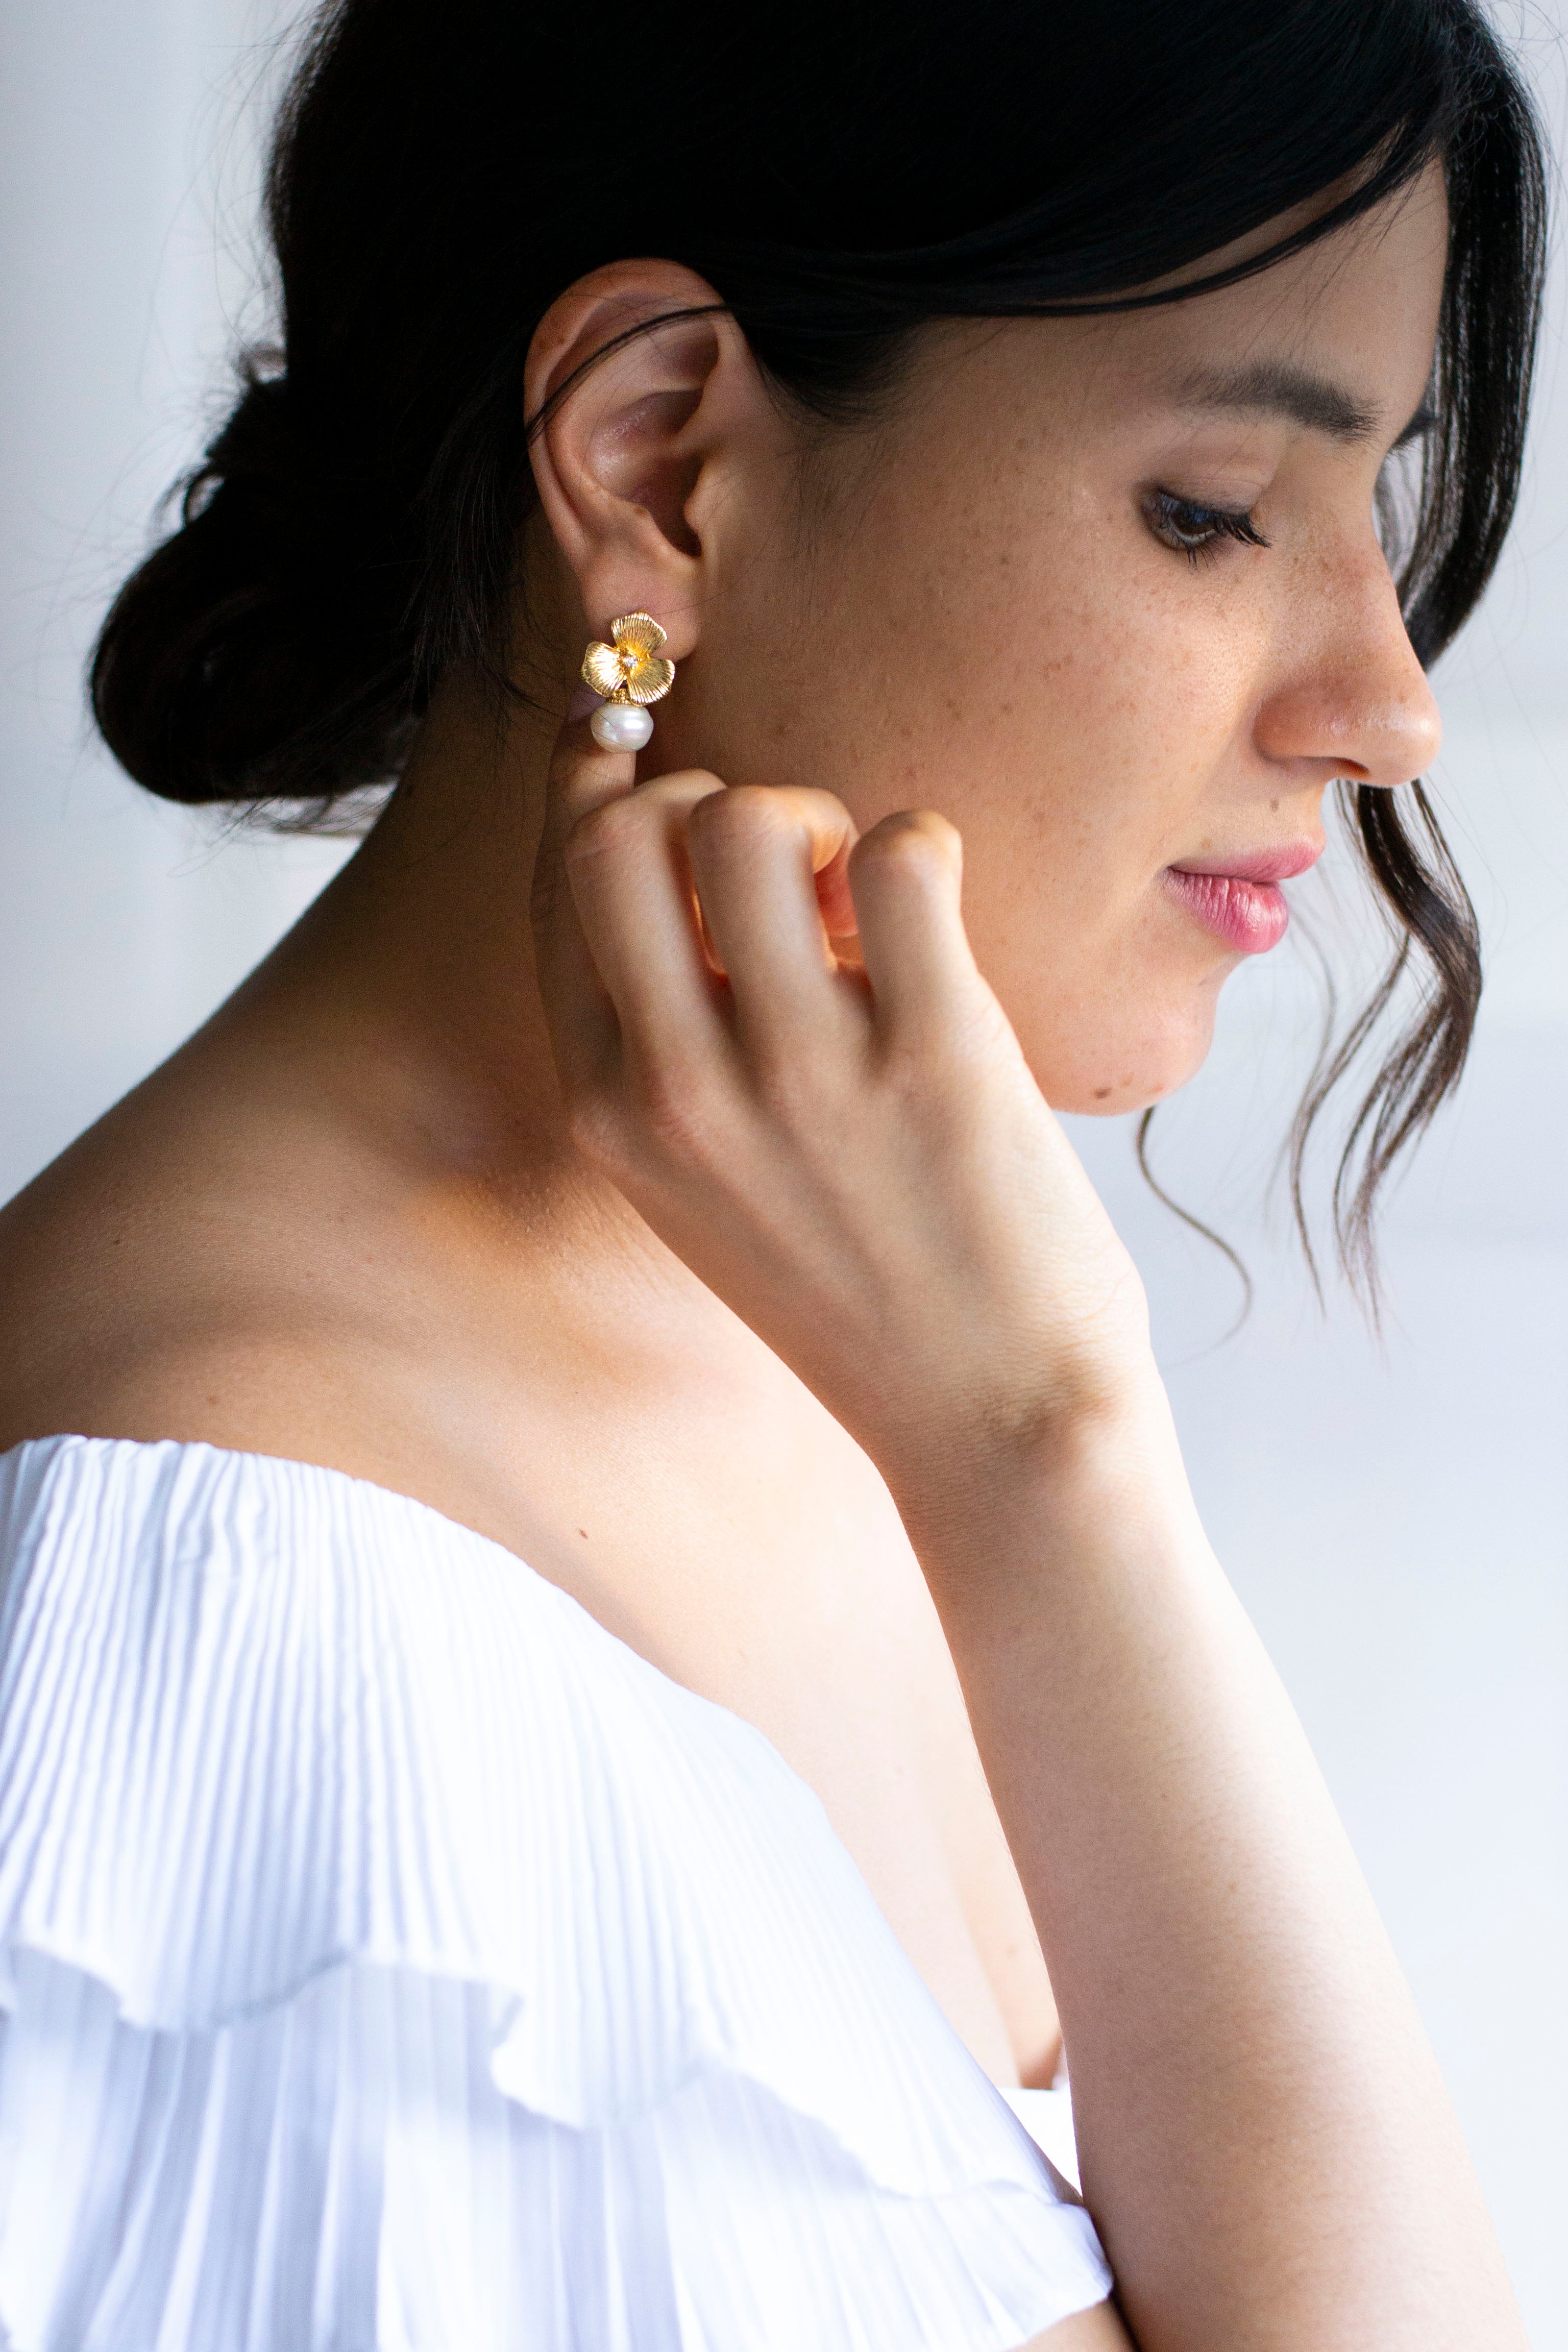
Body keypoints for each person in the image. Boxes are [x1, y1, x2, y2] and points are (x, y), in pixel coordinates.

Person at [0, 0, 1547, 2343]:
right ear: (660, 463)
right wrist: (1054, 1459)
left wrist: (1051, 1456)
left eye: (1377, 507)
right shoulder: (248, 1654)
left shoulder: (855, 1341)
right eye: (1216, 509)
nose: (1387, 698)